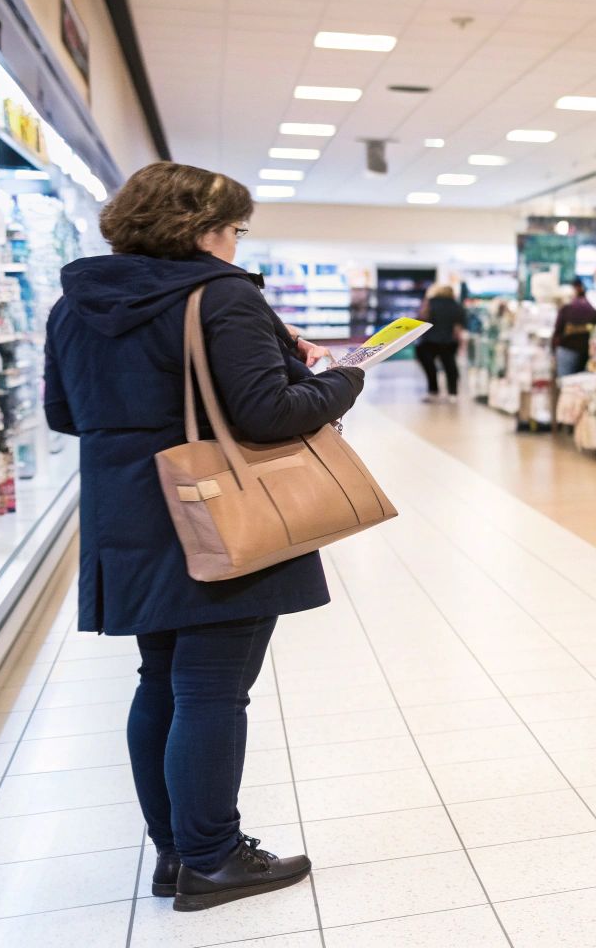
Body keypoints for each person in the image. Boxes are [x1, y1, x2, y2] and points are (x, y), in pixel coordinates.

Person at [45, 163, 365, 912]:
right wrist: (342, 377)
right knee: (214, 688)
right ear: (201, 229)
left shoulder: (76, 302)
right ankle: (215, 859)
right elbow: (267, 414)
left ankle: (175, 854)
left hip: (129, 514)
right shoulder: (222, 294)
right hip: (218, 511)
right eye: (234, 229)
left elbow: (65, 414)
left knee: (159, 679)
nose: (235, 244)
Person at [415, 283, 465, 402]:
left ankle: (433, 391)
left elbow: (421, 319)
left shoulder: (429, 303)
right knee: (450, 366)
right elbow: (458, 327)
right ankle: (453, 393)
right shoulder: (456, 305)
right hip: (449, 341)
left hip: (429, 341)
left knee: (430, 367)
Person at [550, 279, 596, 379]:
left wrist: (553, 349)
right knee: (580, 383)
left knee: (565, 382)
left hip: (567, 349)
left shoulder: (567, 308)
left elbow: (558, 330)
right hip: (585, 351)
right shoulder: (590, 307)